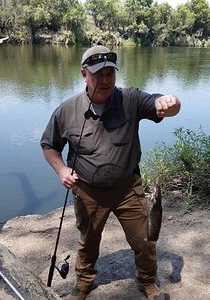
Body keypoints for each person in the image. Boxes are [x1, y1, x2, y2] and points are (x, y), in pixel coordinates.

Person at [40, 45, 181, 300]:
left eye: (110, 74)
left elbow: (162, 105)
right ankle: (84, 283)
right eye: (98, 75)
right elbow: (49, 145)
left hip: (128, 188)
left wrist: (169, 103)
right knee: (88, 241)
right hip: (88, 191)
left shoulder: (130, 99)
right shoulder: (66, 110)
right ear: (84, 74)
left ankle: (147, 282)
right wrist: (61, 169)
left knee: (144, 240)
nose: (105, 80)